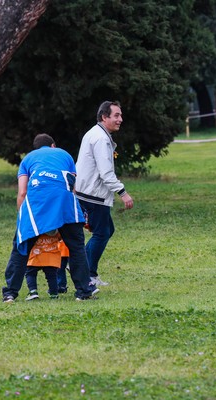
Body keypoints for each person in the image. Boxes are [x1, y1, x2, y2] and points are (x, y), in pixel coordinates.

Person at [2, 134, 98, 302]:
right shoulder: (65, 155)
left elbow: (22, 192)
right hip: (64, 202)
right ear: (53, 146)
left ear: (36, 148)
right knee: (76, 247)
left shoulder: (27, 159)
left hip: (38, 203)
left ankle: (10, 293)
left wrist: (22, 219)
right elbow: (71, 186)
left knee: (20, 247)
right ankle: (83, 292)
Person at [75, 101, 134, 287]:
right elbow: (106, 173)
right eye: (116, 115)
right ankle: (87, 272)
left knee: (106, 231)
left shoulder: (97, 133)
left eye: (120, 115)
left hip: (88, 192)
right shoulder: (100, 138)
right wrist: (123, 192)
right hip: (93, 195)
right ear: (104, 117)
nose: (120, 119)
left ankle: (82, 267)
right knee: (102, 233)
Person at [25, 232, 61, 300]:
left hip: (36, 256)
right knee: (52, 276)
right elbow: (60, 237)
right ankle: (54, 294)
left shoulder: (36, 226)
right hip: (51, 257)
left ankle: (33, 292)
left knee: (30, 274)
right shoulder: (55, 226)